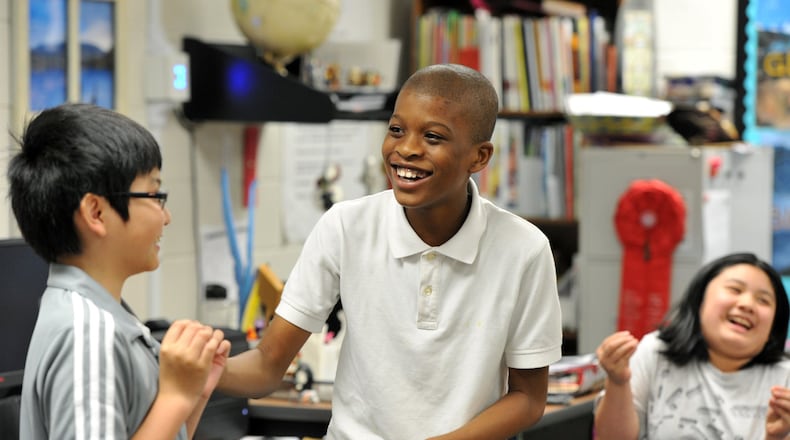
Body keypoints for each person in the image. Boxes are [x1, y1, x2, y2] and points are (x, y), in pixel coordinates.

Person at [218, 63, 563, 439]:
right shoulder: (346, 226)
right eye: (396, 130)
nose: (407, 149)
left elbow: (529, 398)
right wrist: (201, 368)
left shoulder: (524, 249)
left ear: (479, 158)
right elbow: (268, 365)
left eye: (433, 137)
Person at [8, 103, 231, 439]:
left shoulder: (100, 317)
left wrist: (193, 395)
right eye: (155, 194)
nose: (165, 216)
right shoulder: (87, 334)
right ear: (96, 212)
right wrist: (175, 397)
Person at [595, 252, 790, 439]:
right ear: (700, 300)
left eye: (763, 300)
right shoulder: (656, 352)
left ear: (774, 326)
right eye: (735, 289)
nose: (747, 304)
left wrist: (776, 437)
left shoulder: (784, 379)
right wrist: (617, 382)